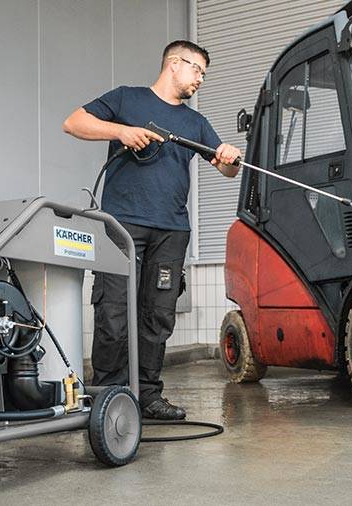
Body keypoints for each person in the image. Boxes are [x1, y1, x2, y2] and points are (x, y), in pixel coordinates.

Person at [62, 40, 240, 420]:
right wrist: (121, 133)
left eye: (204, 75)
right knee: (113, 311)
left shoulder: (195, 122)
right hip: (122, 224)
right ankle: (108, 395)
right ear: (175, 64)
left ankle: (147, 394)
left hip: (171, 231)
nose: (200, 80)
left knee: (157, 314)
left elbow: (225, 169)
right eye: (197, 71)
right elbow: (73, 122)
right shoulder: (128, 100)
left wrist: (229, 158)